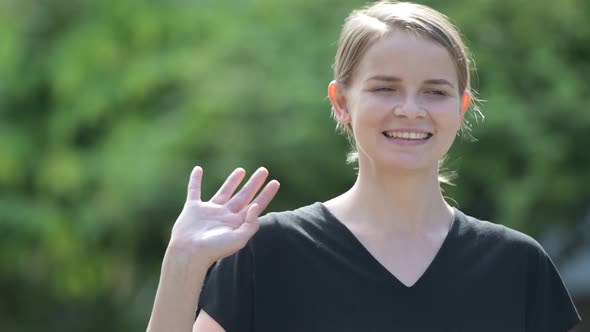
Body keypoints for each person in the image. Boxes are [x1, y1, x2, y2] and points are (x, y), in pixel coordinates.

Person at [147, 1, 581, 331]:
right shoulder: (268, 253)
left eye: (435, 92)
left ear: (462, 107)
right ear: (341, 103)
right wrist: (183, 260)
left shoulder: (518, 265)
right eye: (385, 88)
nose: (411, 110)